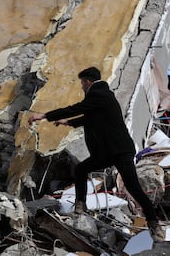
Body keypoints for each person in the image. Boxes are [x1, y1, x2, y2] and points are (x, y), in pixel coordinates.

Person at [28, 67, 165, 242]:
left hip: (120, 150)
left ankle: (154, 225)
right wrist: (68, 122)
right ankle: (80, 206)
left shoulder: (99, 94)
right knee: (81, 169)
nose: (82, 88)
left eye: (82, 84)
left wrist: (44, 116)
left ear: (87, 81)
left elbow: (75, 108)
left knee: (133, 187)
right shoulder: (102, 97)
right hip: (107, 151)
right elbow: (89, 118)